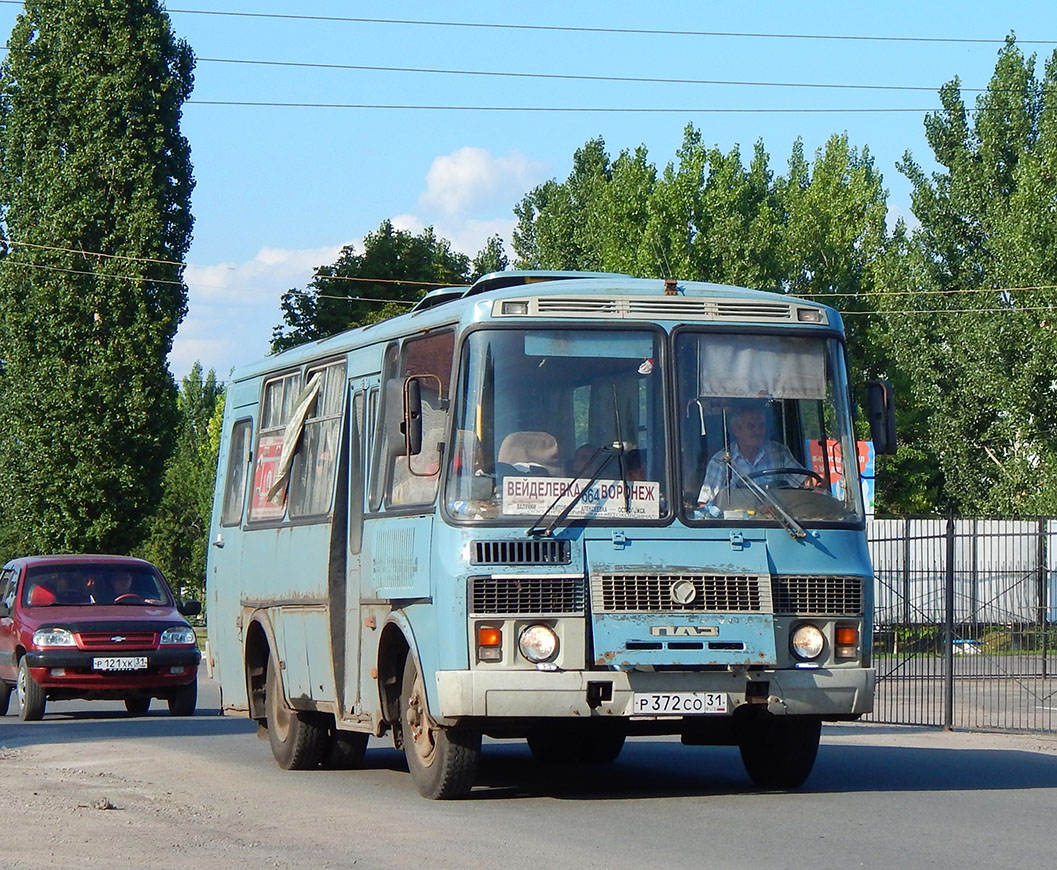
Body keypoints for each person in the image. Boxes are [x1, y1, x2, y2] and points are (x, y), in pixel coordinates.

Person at [697, 404, 811, 506]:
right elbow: (704, 505)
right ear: (736, 430)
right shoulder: (720, 462)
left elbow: (804, 483)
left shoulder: (779, 453)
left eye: (761, 426)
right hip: (737, 526)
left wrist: (815, 483)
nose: (758, 432)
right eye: (751, 427)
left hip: (779, 524)